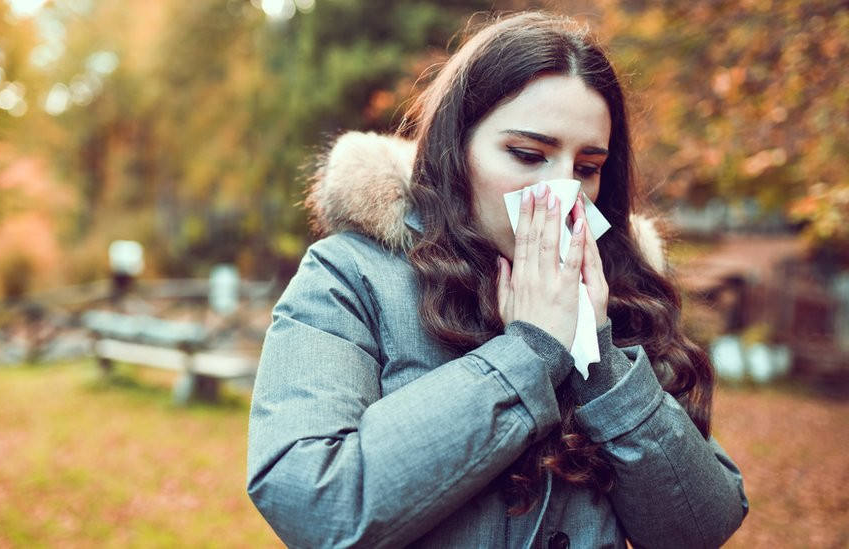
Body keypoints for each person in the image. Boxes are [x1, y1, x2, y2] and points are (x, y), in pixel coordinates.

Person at [246, 11, 748, 548]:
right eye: (528, 155)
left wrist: (596, 353)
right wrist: (530, 353)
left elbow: (702, 527)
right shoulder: (350, 275)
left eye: (587, 167)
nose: (563, 192)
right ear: (455, 150)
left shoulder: (620, 292)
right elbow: (313, 503)